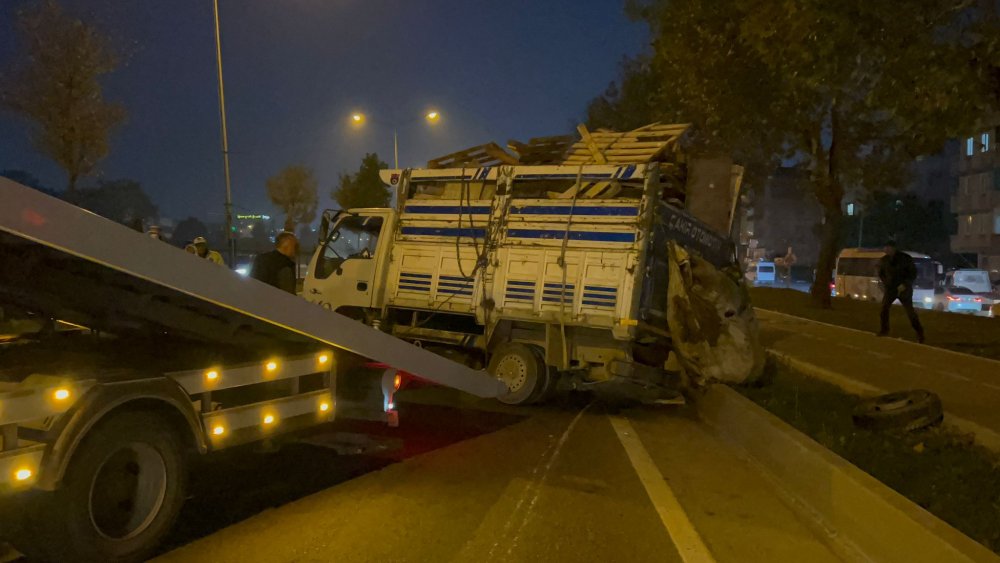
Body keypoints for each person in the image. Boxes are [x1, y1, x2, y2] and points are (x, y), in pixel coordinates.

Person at [877, 240, 924, 343]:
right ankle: (884, 330)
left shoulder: (905, 258)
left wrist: (905, 284)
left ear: (893, 248)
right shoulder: (884, 260)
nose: (886, 250)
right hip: (890, 289)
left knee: (910, 312)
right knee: (884, 309)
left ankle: (920, 333)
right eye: (885, 248)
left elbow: (913, 273)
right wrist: (885, 283)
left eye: (888, 247)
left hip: (904, 289)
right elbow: (881, 274)